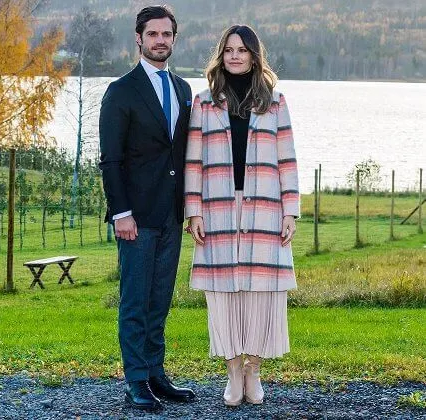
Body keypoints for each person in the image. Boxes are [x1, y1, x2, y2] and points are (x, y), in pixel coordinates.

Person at [184, 24, 299, 407]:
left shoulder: (275, 102)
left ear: (253, 56)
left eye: (242, 50)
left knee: (261, 294)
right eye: (229, 49)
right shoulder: (203, 103)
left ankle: (254, 370)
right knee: (223, 294)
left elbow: (287, 160)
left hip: (265, 208)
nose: (235, 56)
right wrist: (193, 211)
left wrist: (291, 210)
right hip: (217, 208)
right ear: (222, 55)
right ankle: (233, 371)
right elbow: (193, 161)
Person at [99, 4, 195, 411]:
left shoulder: (183, 90)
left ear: (174, 39)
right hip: (135, 218)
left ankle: (156, 374)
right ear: (138, 39)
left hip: (171, 214)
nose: (160, 40)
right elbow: (111, 159)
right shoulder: (121, 91)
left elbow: (184, 154)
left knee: (160, 301)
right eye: (153, 34)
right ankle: (136, 380)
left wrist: (191, 208)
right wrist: (121, 214)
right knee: (135, 302)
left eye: (166, 34)